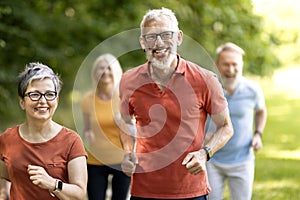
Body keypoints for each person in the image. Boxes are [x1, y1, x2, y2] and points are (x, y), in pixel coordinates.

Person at [119, 7, 234, 200]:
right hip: (144, 190)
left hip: (190, 190)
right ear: (142, 42)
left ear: (179, 38)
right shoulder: (128, 80)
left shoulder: (205, 80)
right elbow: (125, 120)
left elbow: (226, 127)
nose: (159, 42)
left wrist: (205, 153)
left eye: (166, 35)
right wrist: (128, 151)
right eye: (151, 37)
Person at [0, 62, 87, 200]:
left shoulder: (72, 141)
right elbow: (4, 178)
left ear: (56, 100)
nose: (43, 101)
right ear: (22, 102)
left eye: (49, 94)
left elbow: (80, 194)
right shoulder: (6, 140)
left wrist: (52, 184)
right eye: (35, 94)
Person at [205, 42, 267, 200]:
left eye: (235, 64)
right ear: (217, 65)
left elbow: (261, 111)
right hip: (212, 158)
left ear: (241, 65)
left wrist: (258, 134)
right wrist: (200, 135)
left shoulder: (252, 90)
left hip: (242, 160)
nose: (231, 70)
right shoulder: (207, 89)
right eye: (226, 64)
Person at [81, 54, 130, 200]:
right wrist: (88, 133)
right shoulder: (87, 100)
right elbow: (87, 128)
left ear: (116, 71)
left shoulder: (124, 98)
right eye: (101, 68)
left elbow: (133, 130)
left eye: (109, 68)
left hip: (121, 160)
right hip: (95, 160)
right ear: (95, 72)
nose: (105, 72)